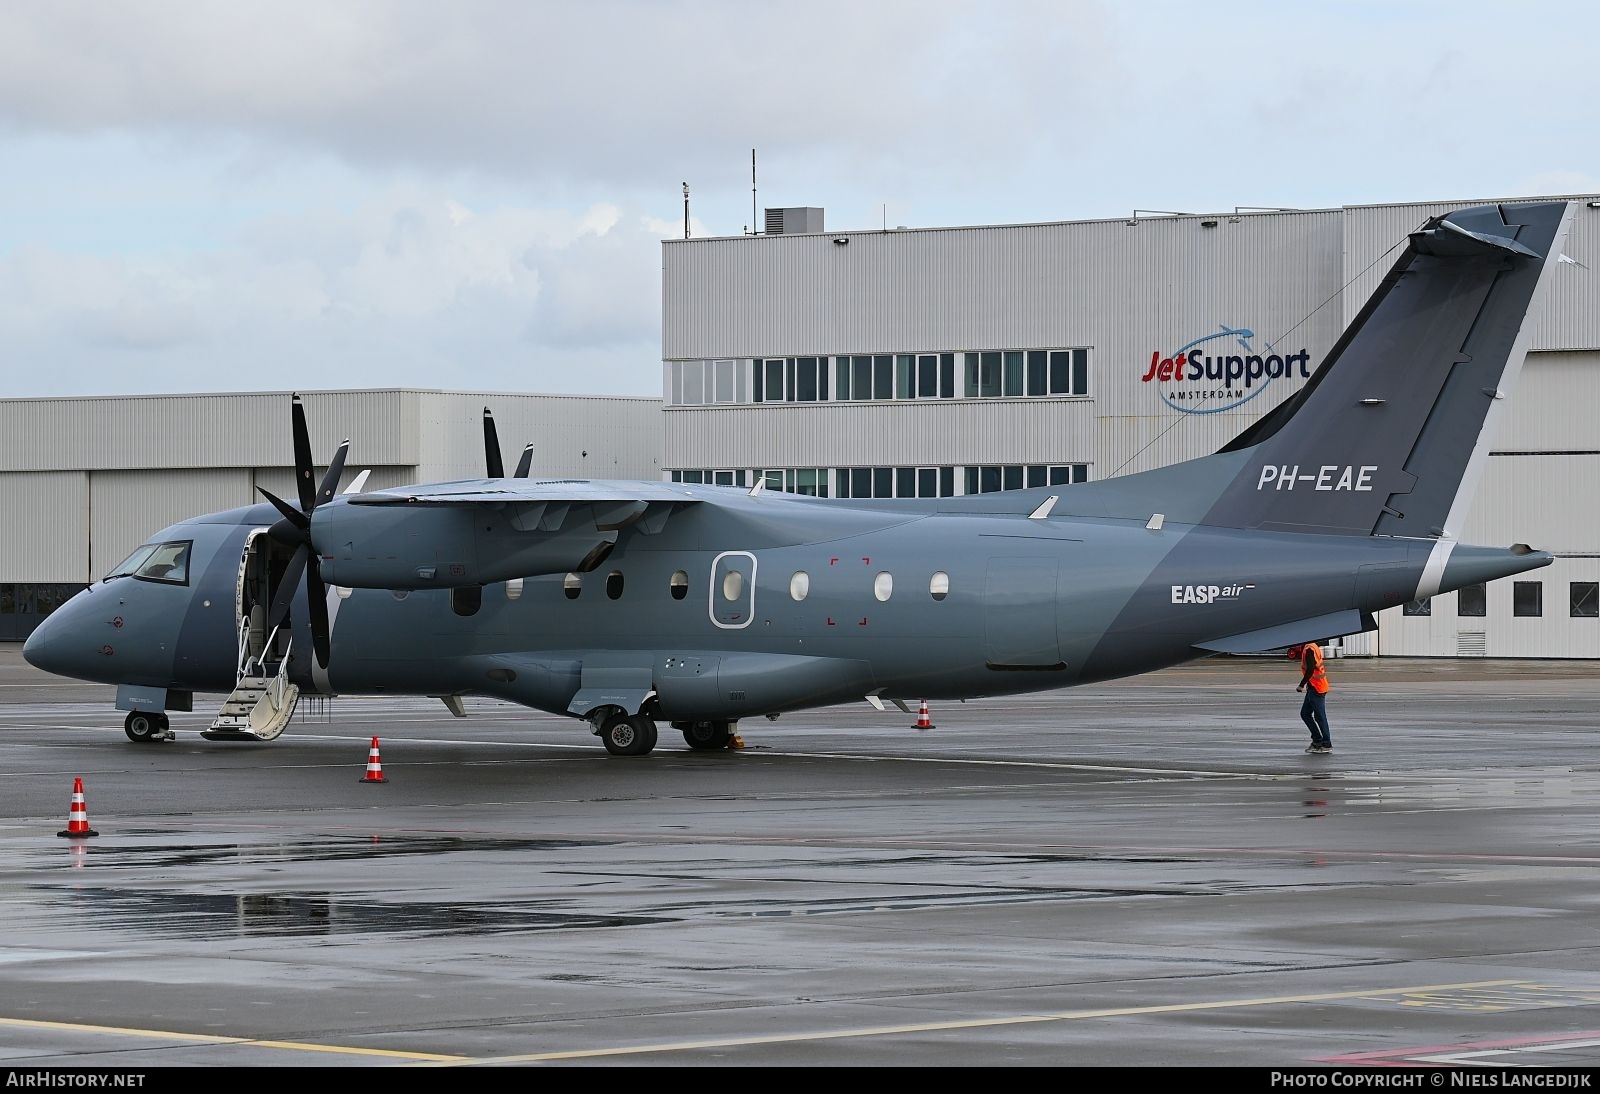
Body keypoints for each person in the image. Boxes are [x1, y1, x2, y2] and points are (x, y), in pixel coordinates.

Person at [1288, 641, 1332, 753]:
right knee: (1305, 714)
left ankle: (1326, 744)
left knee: (1320, 717)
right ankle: (1317, 740)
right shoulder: (1312, 646)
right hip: (1314, 687)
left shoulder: (1309, 649)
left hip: (1317, 688)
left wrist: (1301, 685)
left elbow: (1311, 669)